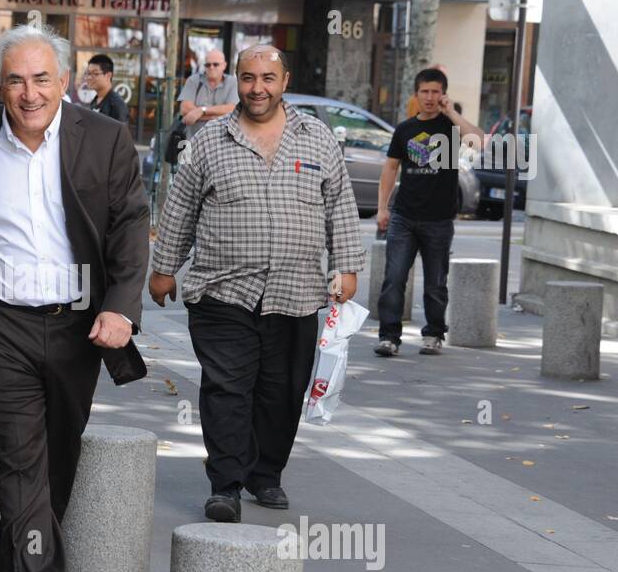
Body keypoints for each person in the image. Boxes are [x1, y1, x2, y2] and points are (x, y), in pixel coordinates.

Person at [0, 24, 150, 572]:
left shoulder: (106, 139)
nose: (29, 93)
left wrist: (121, 308)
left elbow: (130, 227)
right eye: (15, 80)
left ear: (64, 81)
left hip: (77, 325)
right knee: (21, 455)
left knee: (56, 460)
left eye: (40, 79)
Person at [149, 45, 364, 520]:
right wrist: (163, 268)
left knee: (280, 392)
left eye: (268, 78)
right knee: (228, 388)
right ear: (237, 82)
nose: (257, 88)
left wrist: (347, 265)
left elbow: (341, 207)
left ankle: (265, 475)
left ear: (284, 81)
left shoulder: (318, 139)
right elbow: (181, 208)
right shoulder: (208, 141)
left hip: (296, 291)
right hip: (223, 290)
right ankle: (225, 483)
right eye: (248, 78)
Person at [375, 68, 485, 357]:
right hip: (404, 216)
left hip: (439, 220)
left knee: (436, 282)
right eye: (425, 91)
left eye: (436, 92)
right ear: (416, 94)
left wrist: (452, 113)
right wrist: (382, 208)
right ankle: (388, 337)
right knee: (394, 277)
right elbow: (390, 168)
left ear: (443, 95)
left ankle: (434, 334)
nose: (430, 97)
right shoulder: (405, 129)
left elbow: (479, 141)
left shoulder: (451, 128)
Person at [178, 48, 238, 139]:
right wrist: (219, 116)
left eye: (215, 64)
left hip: (223, 142)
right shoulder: (193, 80)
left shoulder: (233, 82)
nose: (211, 67)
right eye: (208, 65)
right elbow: (184, 109)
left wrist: (201, 111)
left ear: (224, 65)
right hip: (194, 141)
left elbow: (232, 109)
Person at [83, 53, 129, 124]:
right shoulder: (94, 101)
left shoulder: (117, 105)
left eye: (95, 74)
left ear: (108, 76)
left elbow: (120, 134)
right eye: (88, 73)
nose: (89, 77)